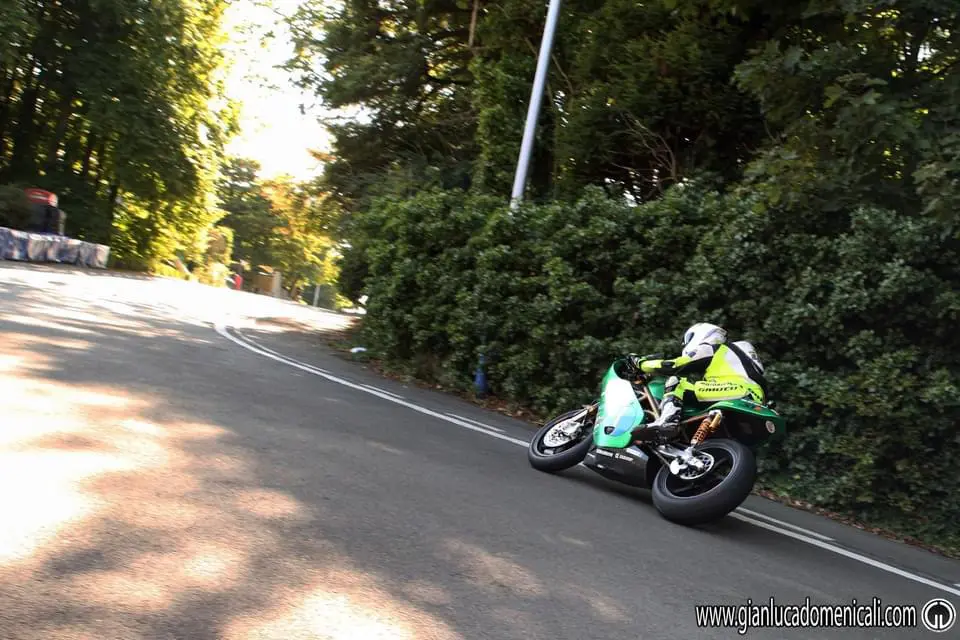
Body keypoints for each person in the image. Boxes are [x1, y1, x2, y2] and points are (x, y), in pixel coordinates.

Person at [626, 322, 769, 442]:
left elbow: (674, 365)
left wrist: (641, 363)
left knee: (677, 382)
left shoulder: (714, 348)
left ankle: (667, 421)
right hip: (755, 399)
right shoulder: (734, 359)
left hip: (737, 390)